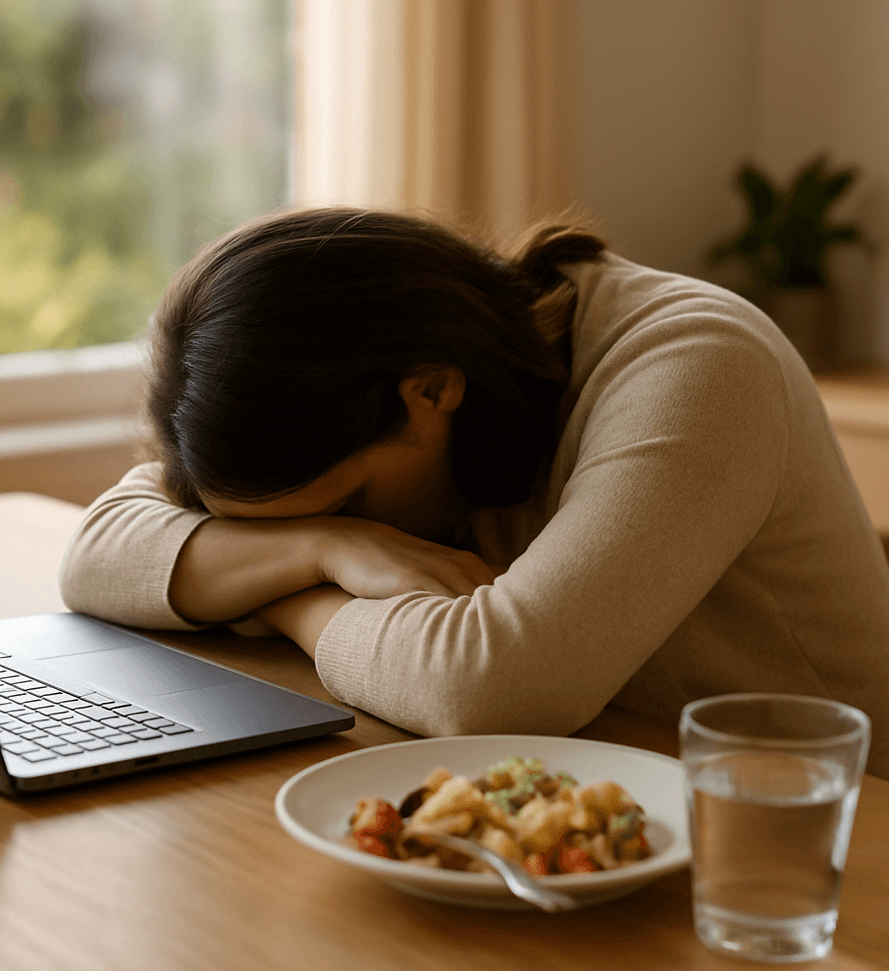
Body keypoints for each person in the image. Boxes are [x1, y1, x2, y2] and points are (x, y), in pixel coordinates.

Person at [59, 207, 889, 779]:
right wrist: (331, 546)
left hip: (817, 833)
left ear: (430, 391)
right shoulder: (423, 375)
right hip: (612, 786)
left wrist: (285, 599)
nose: (346, 537)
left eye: (346, 504)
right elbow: (99, 553)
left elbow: (493, 684)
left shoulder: (699, 363)